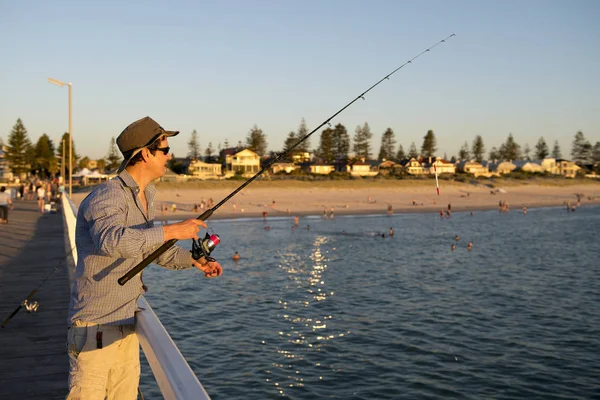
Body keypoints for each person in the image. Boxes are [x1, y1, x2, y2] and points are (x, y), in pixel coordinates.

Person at [66, 116, 223, 399]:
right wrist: (172, 230)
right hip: (95, 328)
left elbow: (150, 250)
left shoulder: (147, 194)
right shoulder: (108, 197)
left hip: (126, 323)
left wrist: (195, 261)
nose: (169, 155)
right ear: (145, 153)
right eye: (164, 149)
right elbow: (112, 241)